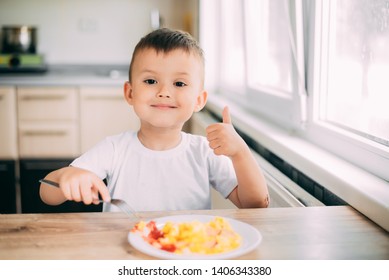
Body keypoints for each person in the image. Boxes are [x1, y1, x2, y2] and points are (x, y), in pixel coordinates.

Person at [39, 28, 269, 212]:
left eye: (179, 84)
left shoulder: (204, 152)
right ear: (130, 93)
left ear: (199, 100)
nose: (164, 92)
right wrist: (67, 177)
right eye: (150, 81)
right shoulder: (114, 149)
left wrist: (240, 153)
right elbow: (47, 195)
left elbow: (255, 204)